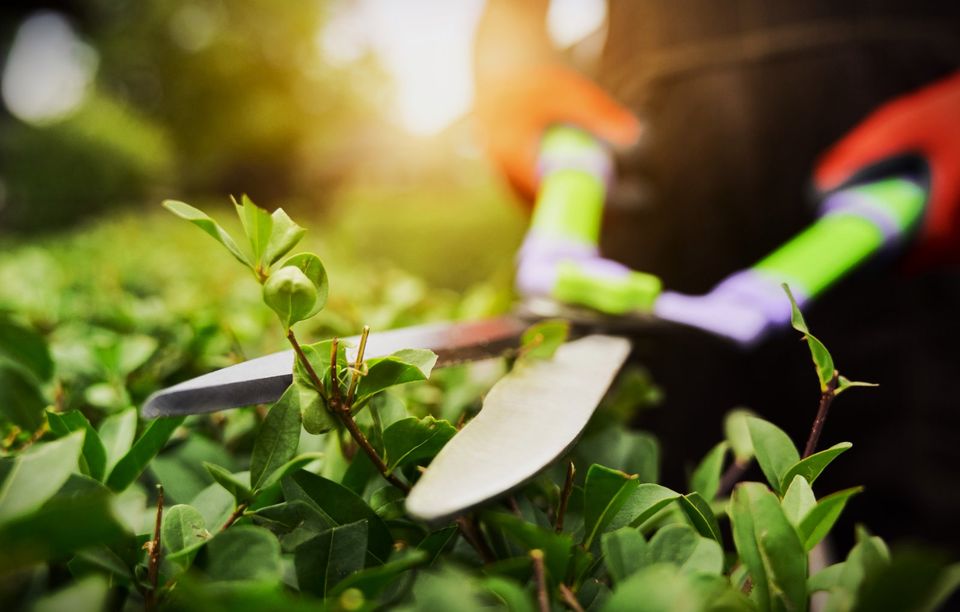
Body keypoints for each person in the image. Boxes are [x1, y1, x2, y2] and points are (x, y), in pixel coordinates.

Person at [473, 0, 960, 553]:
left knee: (925, 555)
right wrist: (513, 68)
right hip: (661, 170)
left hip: (908, 144)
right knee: (644, 539)